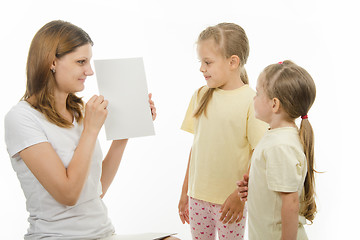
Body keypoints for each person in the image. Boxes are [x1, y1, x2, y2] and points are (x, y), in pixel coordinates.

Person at [4, 20, 178, 240]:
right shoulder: (21, 118)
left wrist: (124, 131)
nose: (89, 71)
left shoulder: (78, 112)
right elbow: (68, 194)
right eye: (81, 62)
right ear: (52, 62)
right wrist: (91, 130)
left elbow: (96, 190)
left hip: (103, 233)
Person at [178, 23, 268, 240]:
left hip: (230, 202)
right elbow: (196, 148)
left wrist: (240, 197)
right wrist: (184, 193)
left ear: (233, 62)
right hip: (197, 198)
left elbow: (259, 153)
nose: (202, 68)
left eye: (207, 62)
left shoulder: (251, 100)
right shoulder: (200, 95)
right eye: (201, 62)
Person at [237, 60, 317, 239]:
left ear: (274, 104)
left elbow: (290, 203)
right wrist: (256, 187)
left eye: (258, 93)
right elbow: (279, 193)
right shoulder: (276, 136)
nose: (254, 98)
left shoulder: (280, 146)